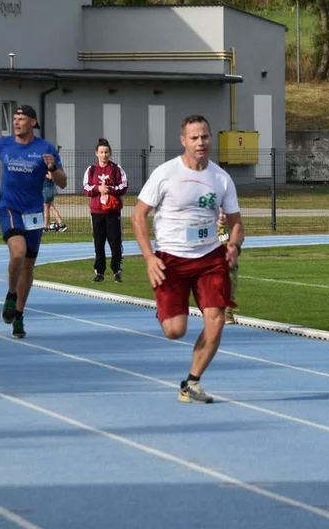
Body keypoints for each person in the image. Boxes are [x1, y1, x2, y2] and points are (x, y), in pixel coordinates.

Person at [132, 114, 243, 404]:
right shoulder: (166, 173)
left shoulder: (221, 177)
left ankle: (192, 383)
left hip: (210, 256)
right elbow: (138, 216)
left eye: (205, 136)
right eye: (194, 137)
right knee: (175, 331)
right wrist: (149, 258)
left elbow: (236, 223)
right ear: (183, 141)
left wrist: (233, 245)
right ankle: (165, 310)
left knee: (216, 320)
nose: (201, 142)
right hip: (172, 258)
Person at [0, 104, 66, 338]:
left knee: (28, 265)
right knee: (17, 253)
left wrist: (52, 167)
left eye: (21, 118)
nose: (17, 122)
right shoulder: (3, 144)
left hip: (34, 212)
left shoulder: (45, 148)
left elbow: (63, 181)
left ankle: (18, 314)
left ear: (33, 123)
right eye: (15, 118)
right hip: (9, 207)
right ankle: (11, 294)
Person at [83, 138, 128, 282]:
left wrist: (111, 189)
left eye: (106, 152)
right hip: (97, 212)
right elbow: (86, 187)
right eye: (101, 152)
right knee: (99, 243)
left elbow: (124, 186)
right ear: (96, 153)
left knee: (115, 242)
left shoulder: (116, 169)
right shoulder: (91, 170)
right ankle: (99, 272)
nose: (104, 155)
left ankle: (117, 271)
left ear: (110, 153)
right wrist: (98, 188)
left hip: (113, 212)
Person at [217, 208, 239, 324]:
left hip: (229, 265)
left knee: (230, 288)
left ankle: (228, 313)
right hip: (215, 265)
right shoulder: (211, 228)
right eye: (219, 213)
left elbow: (237, 241)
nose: (222, 216)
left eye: (224, 213)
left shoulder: (232, 228)